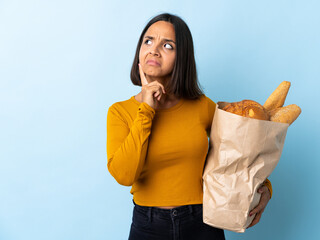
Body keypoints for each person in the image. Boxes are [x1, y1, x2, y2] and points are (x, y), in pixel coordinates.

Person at [106, 13, 272, 240]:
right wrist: (146, 109)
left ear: (182, 57)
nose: (154, 50)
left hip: (202, 223)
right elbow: (124, 175)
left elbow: (242, 152)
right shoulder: (120, 112)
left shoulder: (201, 106)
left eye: (167, 45)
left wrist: (265, 189)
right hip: (148, 226)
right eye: (148, 41)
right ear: (139, 51)